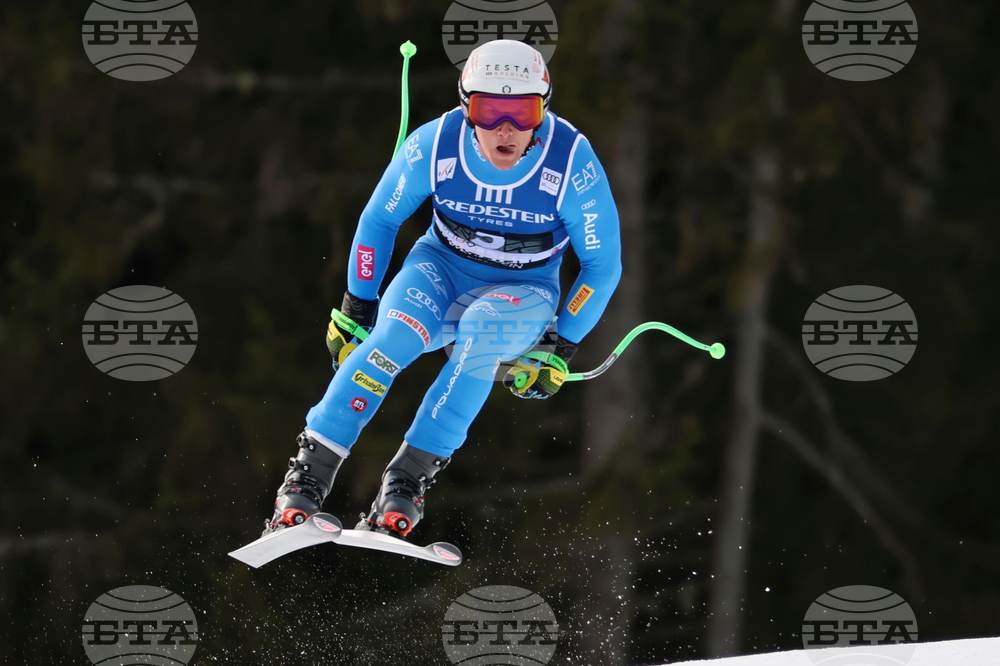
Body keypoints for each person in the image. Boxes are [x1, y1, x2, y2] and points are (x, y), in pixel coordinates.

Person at [264, 39, 622, 539]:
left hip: (523, 290)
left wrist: (561, 345)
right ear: (466, 107)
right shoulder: (435, 144)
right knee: (391, 339)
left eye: (523, 112)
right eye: (489, 111)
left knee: (480, 336)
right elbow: (378, 220)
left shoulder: (571, 162)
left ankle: (406, 481)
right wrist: (356, 305)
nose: (506, 129)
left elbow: (602, 267)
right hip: (439, 270)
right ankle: (307, 475)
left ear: (543, 109)